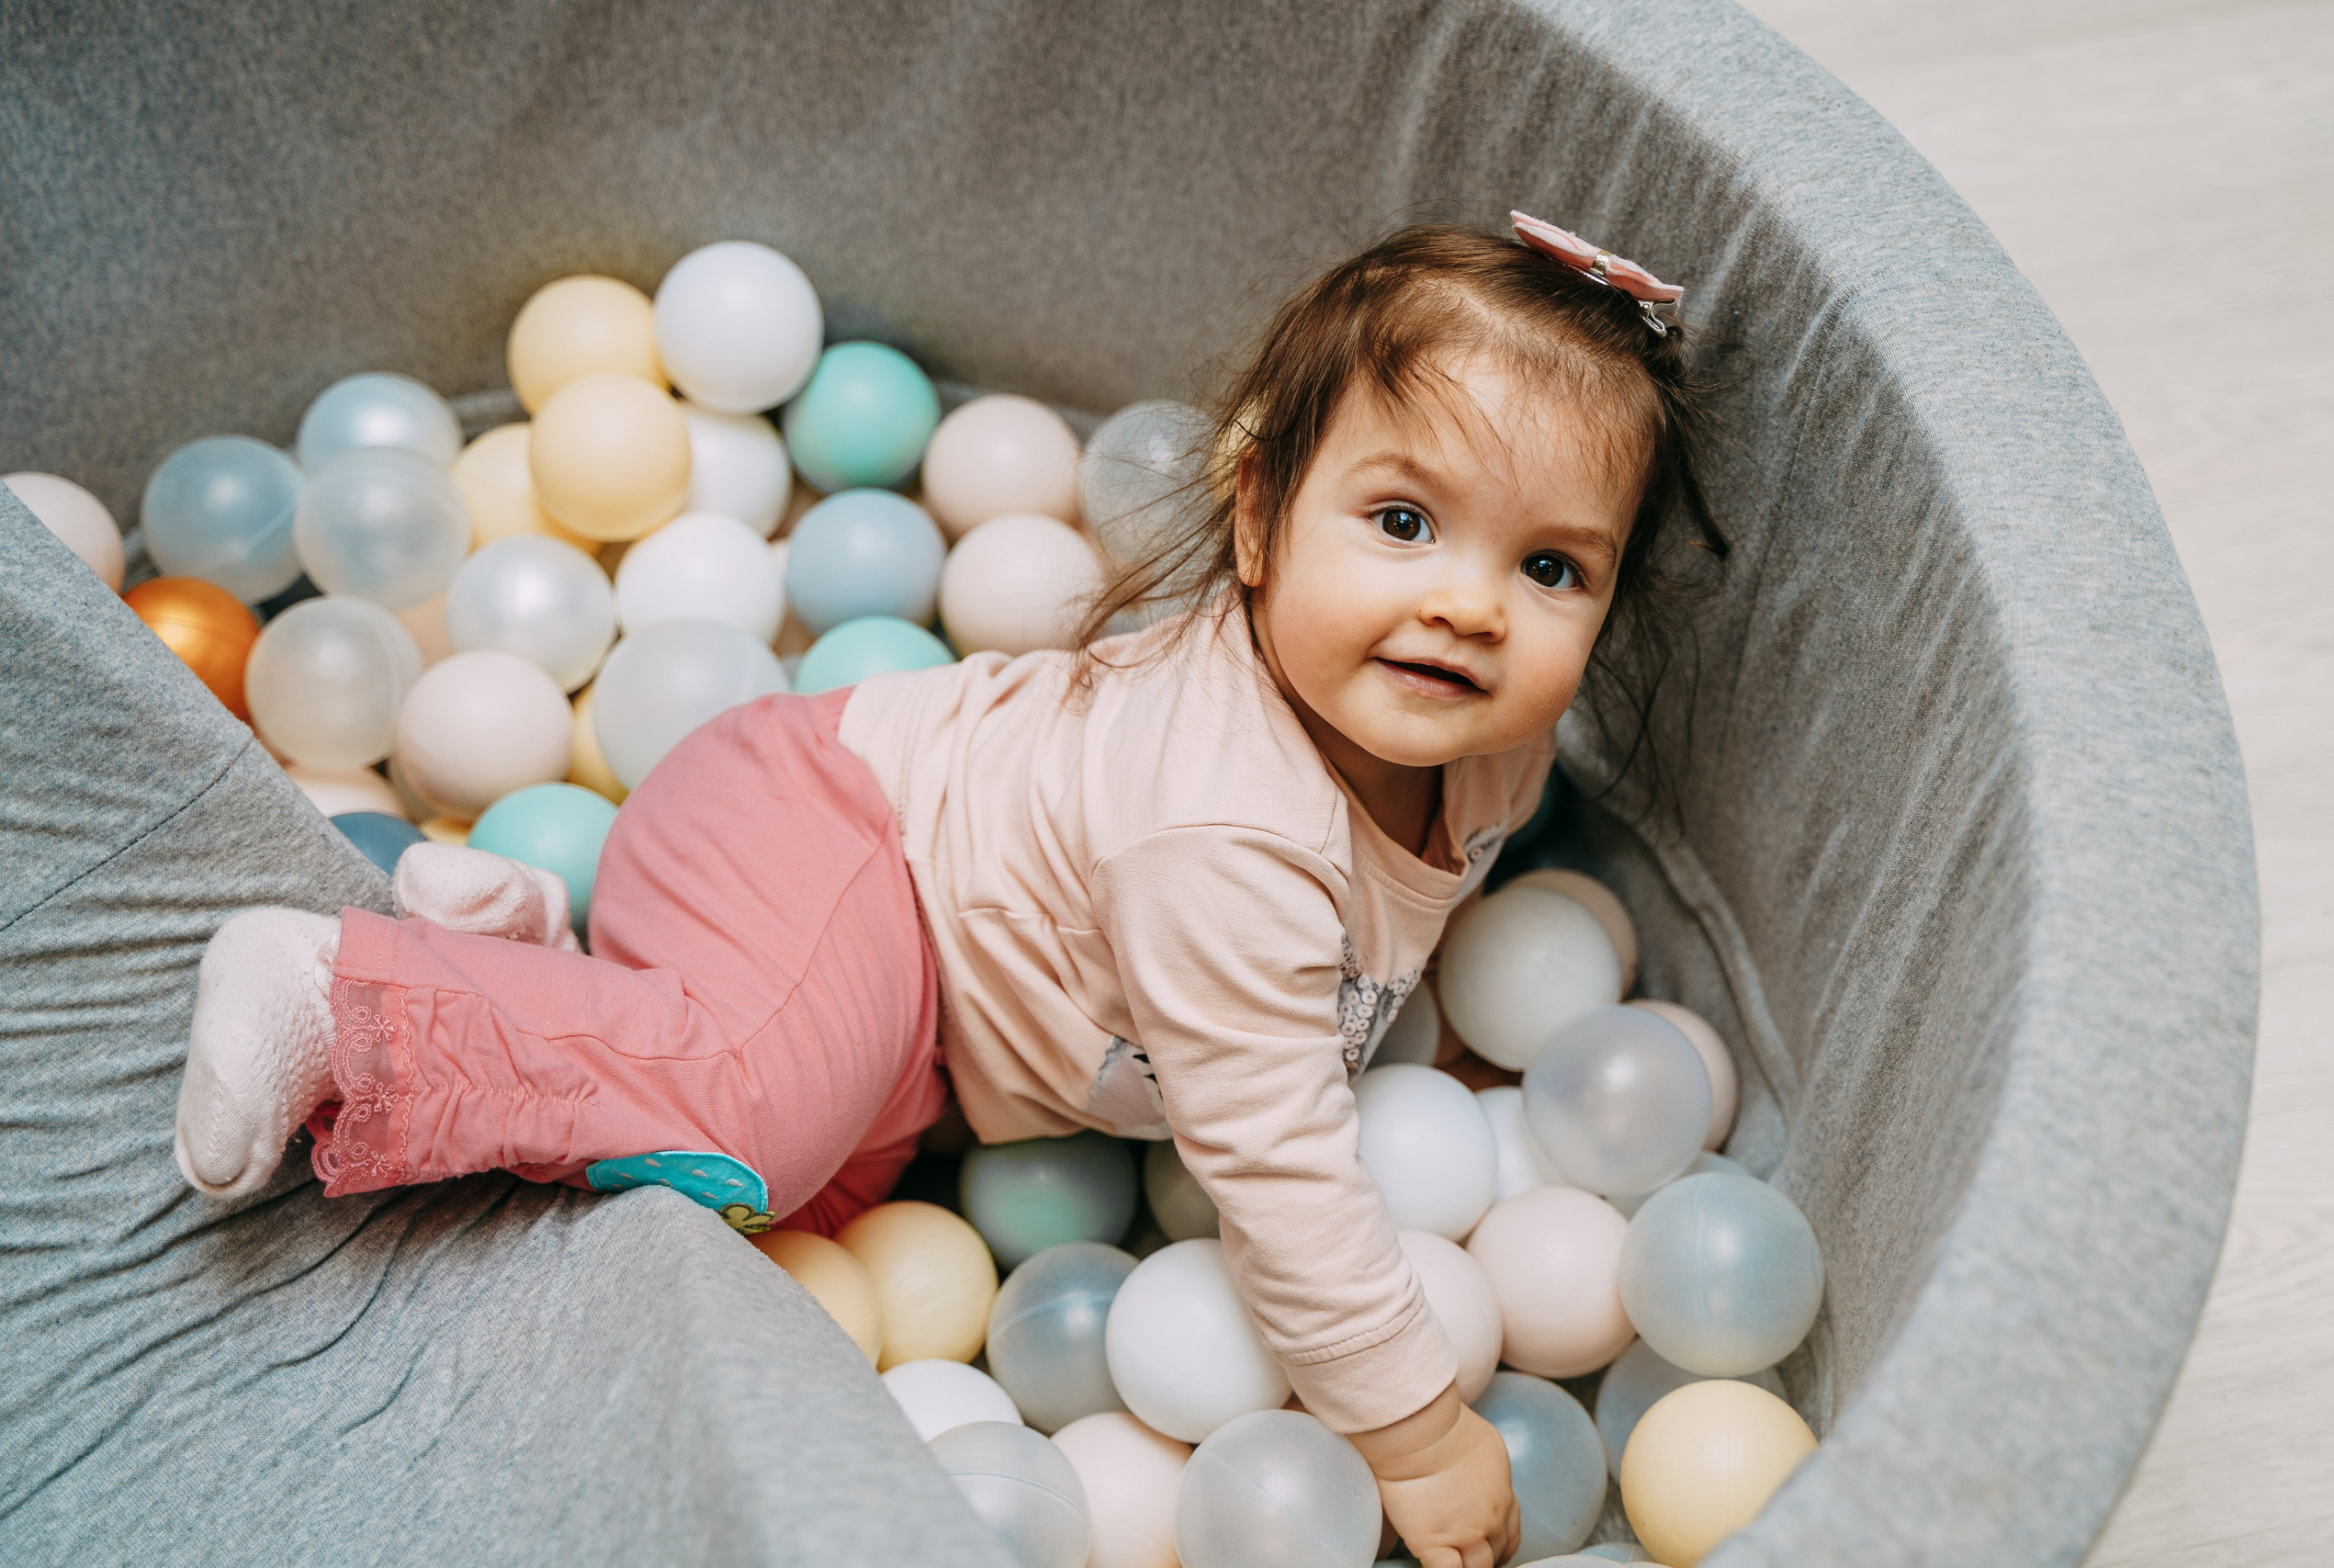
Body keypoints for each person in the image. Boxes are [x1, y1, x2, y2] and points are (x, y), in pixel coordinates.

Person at [172, 212, 1723, 1568]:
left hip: (918, 1017)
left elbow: (1389, 928)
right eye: (1402, 523)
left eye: (1552, 571)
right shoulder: (1221, 842)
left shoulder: (1487, 751)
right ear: (1257, 516)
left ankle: (541, 952)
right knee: (754, 1123)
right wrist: (1409, 1427)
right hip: (834, 837)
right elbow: (1279, 1171)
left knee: (785, 1209)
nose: (1467, 604)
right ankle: (342, 994)